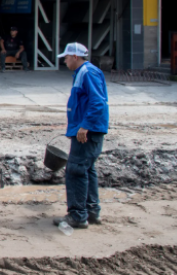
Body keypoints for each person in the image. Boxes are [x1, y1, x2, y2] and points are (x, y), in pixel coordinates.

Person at [53, 43, 109, 230]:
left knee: (76, 170)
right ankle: (92, 211)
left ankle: (77, 215)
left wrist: (85, 126)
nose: (65, 60)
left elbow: (98, 102)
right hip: (86, 129)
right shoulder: (82, 73)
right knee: (87, 169)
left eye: (66, 57)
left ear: (75, 56)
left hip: (87, 132)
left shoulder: (88, 73)